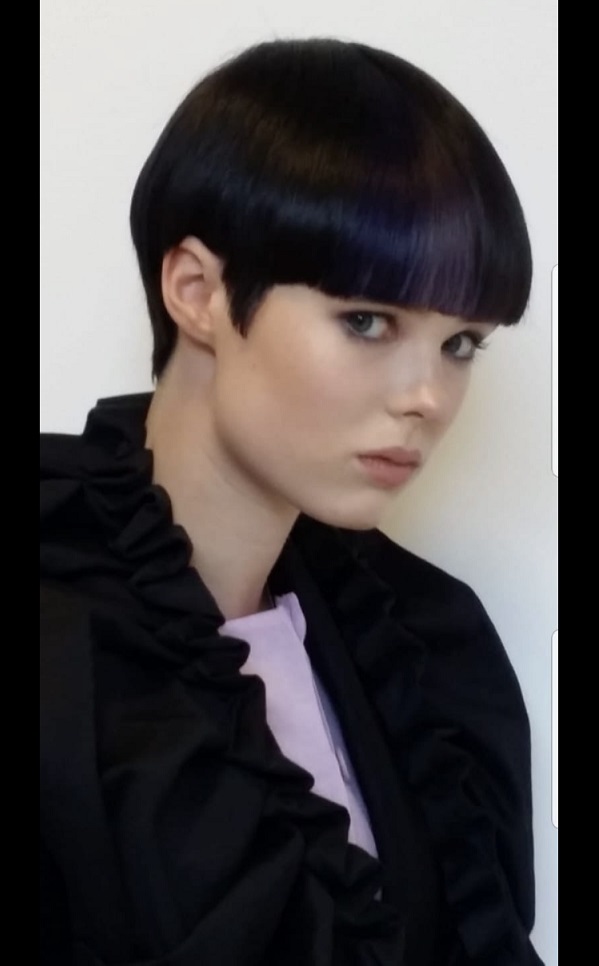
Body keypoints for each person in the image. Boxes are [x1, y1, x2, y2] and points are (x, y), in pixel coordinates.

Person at [40, 37, 544, 966]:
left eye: (460, 343)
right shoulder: (62, 642)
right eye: (366, 320)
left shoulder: (429, 651)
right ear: (197, 291)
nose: (427, 396)